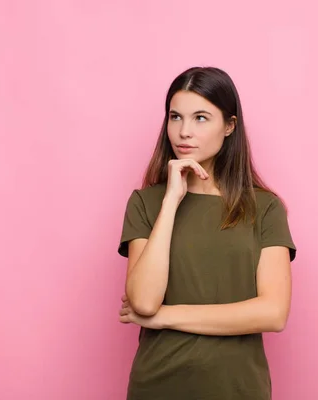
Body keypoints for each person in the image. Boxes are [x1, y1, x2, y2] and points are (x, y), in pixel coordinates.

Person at [117, 66, 297, 400]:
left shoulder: (266, 208)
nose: (184, 131)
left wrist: (166, 317)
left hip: (238, 389)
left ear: (229, 126)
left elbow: (273, 313)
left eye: (200, 118)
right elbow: (143, 301)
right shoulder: (147, 202)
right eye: (175, 117)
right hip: (158, 386)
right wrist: (171, 200)